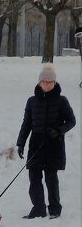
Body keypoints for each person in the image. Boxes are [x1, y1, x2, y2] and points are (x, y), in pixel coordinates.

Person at [16, 64, 76, 219]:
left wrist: (58, 131)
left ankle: (55, 208)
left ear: (55, 83)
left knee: (51, 177)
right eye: (45, 81)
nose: (48, 84)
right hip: (36, 143)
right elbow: (26, 123)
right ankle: (38, 208)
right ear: (39, 83)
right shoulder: (31, 101)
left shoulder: (62, 101)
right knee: (34, 177)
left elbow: (71, 121)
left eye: (51, 82)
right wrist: (21, 143)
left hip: (53, 144)